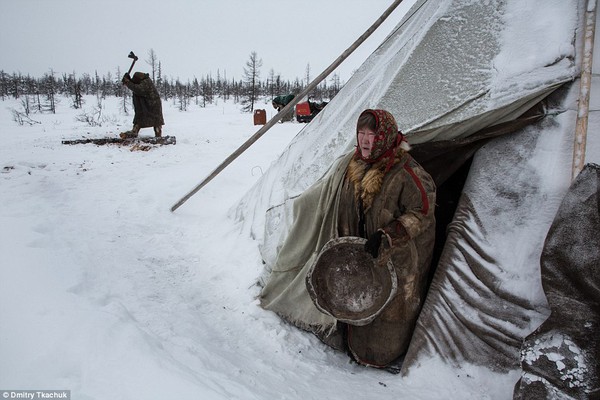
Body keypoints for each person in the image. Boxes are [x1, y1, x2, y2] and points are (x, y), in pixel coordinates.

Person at [259, 109, 436, 368]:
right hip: (360, 254)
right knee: (355, 297)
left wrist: (389, 235)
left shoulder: (406, 172)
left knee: (387, 314)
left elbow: (422, 211)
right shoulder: (352, 164)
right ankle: (351, 341)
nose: (365, 140)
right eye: (361, 133)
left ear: (385, 136)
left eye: (372, 134)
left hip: (396, 259)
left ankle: (377, 355)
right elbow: (325, 192)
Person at [121, 72, 164, 138]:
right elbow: (136, 84)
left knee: (156, 121)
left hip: (153, 105)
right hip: (146, 105)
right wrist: (128, 79)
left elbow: (138, 89)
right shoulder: (143, 80)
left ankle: (158, 135)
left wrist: (128, 82)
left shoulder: (146, 82)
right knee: (140, 118)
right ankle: (134, 132)